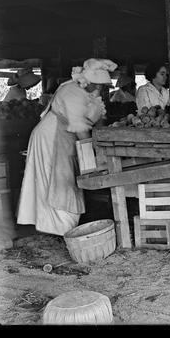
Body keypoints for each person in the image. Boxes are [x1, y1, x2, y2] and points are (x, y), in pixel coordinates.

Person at [16, 58, 116, 236]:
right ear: (90, 81)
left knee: (63, 179)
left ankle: (57, 227)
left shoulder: (86, 92)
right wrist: (91, 158)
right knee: (60, 180)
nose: (101, 89)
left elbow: (95, 119)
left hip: (64, 137)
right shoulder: (73, 92)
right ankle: (62, 229)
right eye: (99, 85)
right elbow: (81, 130)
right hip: (51, 137)